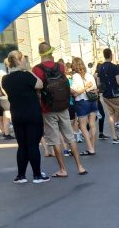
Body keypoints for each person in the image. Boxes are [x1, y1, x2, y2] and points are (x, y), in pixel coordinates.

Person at [32, 43, 88, 178]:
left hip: (48, 108)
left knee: (55, 140)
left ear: (39, 53)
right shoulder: (60, 67)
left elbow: (37, 89)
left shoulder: (37, 69)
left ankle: (63, 169)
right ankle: (80, 167)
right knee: (70, 137)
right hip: (63, 106)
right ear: (51, 52)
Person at [2, 50, 49, 184]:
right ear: (19, 60)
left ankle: (21, 175)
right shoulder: (26, 75)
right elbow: (40, 84)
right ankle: (37, 175)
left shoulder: (5, 79)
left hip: (17, 114)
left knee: (22, 145)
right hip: (32, 113)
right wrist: (28, 70)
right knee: (33, 145)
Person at [70, 57, 98, 156]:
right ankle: (92, 147)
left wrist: (83, 88)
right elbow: (95, 89)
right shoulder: (89, 75)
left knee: (82, 126)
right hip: (92, 101)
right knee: (92, 124)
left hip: (81, 102)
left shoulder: (75, 76)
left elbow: (75, 93)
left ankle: (90, 148)